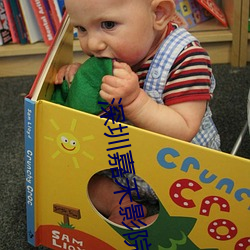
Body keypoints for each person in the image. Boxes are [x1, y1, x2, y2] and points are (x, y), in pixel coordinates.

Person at [55, 0, 220, 226]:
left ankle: (161, 224)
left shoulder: (187, 59)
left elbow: (184, 129)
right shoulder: (116, 50)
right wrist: (80, 76)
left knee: (205, 207)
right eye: (81, 29)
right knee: (71, 174)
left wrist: (136, 102)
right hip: (124, 164)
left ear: (159, 14)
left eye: (108, 24)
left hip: (179, 171)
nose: (92, 44)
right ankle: (121, 206)